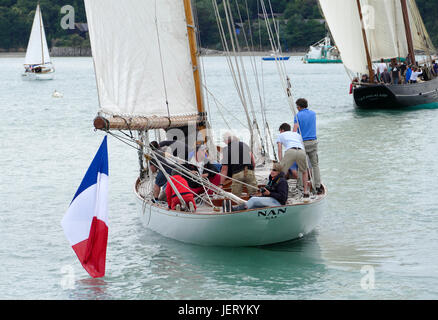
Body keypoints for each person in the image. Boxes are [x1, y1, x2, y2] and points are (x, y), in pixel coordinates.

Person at [293, 98, 323, 195]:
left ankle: (300, 186)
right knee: (315, 165)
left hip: (303, 143)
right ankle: (317, 186)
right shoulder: (313, 114)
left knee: (302, 166)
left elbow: (294, 130)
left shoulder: (297, 116)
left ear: (299, 106)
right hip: (313, 141)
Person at [219, 132, 258, 197]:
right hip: (249, 171)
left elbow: (224, 169)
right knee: (254, 195)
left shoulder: (227, 150)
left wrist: (221, 184)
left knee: (236, 197)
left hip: (237, 174)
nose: (224, 142)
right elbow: (253, 161)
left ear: (227, 140)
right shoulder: (244, 145)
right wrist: (252, 171)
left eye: (224, 140)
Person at [276, 122, 310, 197]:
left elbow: (279, 149)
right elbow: (301, 144)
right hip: (301, 151)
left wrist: (281, 162)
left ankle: (282, 192)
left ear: (282, 130)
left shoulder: (280, 135)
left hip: (290, 151)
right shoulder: (297, 135)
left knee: (281, 173)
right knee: (304, 172)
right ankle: (305, 192)